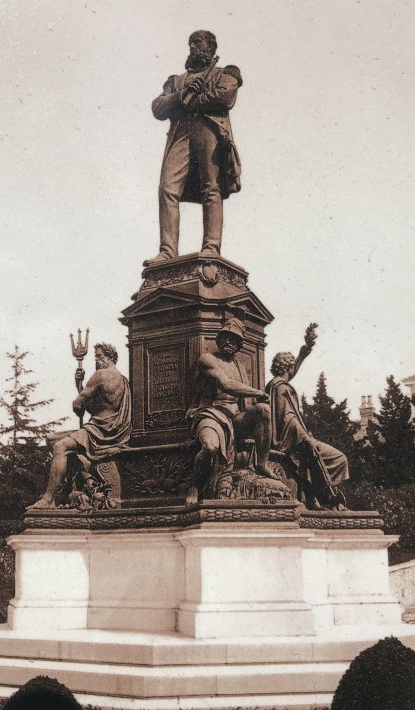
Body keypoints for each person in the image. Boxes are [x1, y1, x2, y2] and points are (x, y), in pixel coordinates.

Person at [146, 30, 242, 266]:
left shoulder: (225, 73)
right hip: (181, 134)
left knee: (212, 187)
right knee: (167, 187)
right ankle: (167, 251)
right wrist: (182, 96)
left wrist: (194, 101)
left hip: (209, 130)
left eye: (198, 43)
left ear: (210, 47)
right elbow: (158, 107)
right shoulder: (175, 81)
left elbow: (225, 96)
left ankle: (211, 247)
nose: (193, 47)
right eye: (191, 43)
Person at [29, 343, 131, 509]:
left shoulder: (100, 375)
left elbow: (78, 404)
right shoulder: (123, 380)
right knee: (51, 439)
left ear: (109, 357)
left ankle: (48, 499)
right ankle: (85, 477)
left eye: (99, 356)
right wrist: (79, 386)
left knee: (60, 447)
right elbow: (97, 408)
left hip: (98, 430)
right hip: (109, 429)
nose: (97, 360)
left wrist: (79, 390)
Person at [186, 318, 277, 502]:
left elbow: (247, 404)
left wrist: (254, 412)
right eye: (225, 338)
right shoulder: (207, 359)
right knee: (210, 447)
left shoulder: (239, 367)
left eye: (233, 339)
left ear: (239, 345)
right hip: (211, 413)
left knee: (264, 410)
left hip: (234, 417)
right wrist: (258, 392)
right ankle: (195, 485)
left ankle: (261, 464)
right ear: (218, 340)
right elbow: (226, 384)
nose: (228, 342)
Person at [266, 324, 348, 509]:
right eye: (292, 365)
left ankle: (324, 497)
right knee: (339, 458)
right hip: (294, 439)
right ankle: (327, 497)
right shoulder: (281, 387)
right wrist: (305, 437)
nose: (294, 369)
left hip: (296, 437)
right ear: (287, 368)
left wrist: (305, 350)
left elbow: (293, 371)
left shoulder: (276, 384)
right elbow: (288, 418)